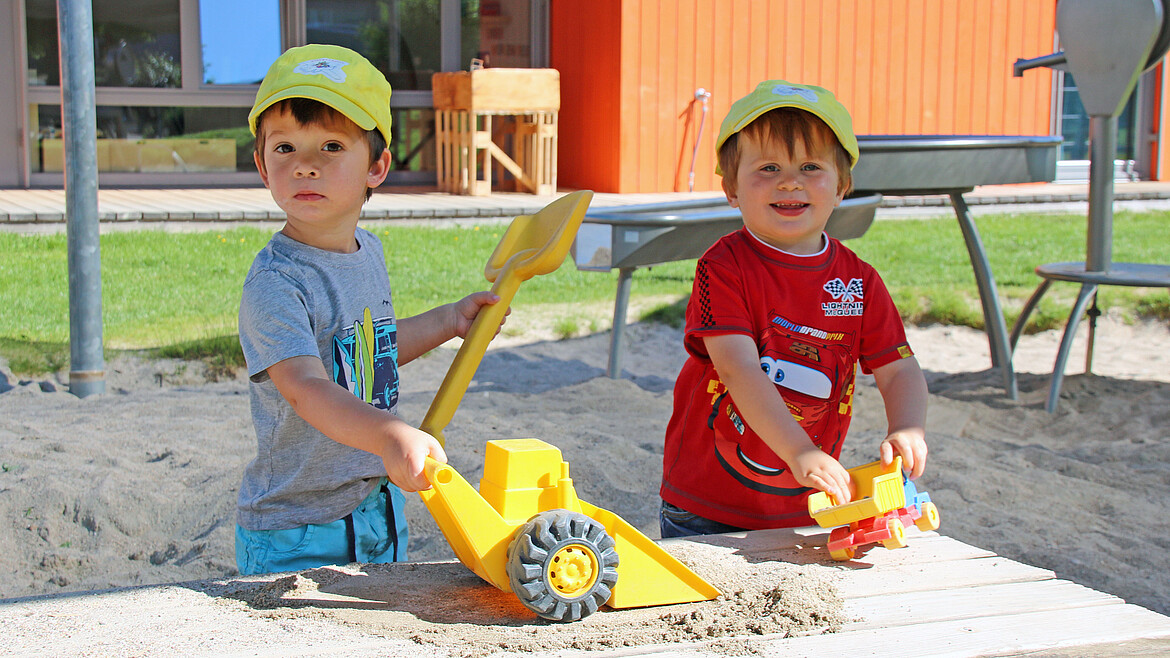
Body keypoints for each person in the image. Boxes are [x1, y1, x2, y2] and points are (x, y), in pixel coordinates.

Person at [235, 44, 503, 575]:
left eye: (331, 146)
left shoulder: (367, 251)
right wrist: (387, 434)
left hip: (376, 504)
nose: (305, 166)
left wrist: (448, 321)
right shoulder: (276, 283)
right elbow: (306, 387)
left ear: (377, 166)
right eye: (285, 148)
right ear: (264, 167)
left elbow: (365, 352)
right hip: (298, 524)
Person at [659, 80, 928, 537]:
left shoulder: (858, 282)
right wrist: (801, 451)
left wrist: (907, 427)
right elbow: (740, 370)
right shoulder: (723, 267)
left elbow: (898, 368)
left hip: (810, 503)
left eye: (809, 166)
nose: (789, 181)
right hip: (709, 502)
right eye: (767, 167)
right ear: (731, 189)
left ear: (841, 186)